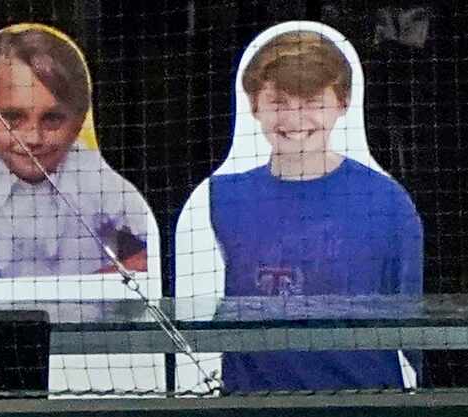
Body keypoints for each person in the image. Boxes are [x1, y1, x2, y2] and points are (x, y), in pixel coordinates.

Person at [181, 23, 424, 394]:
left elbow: (414, 330)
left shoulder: (388, 201)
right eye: (279, 103)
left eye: (312, 103)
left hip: (367, 411)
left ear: (342, 104)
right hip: (251, 413)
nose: (294, 120)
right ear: (254, 106)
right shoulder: (218, 199)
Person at [0, 26, 153, 283]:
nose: (33, 138)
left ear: (78, 122)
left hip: (86, 320)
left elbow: (156, 249)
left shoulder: (94, 175)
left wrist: (85, 287)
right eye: (12, 118)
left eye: (52, 118)